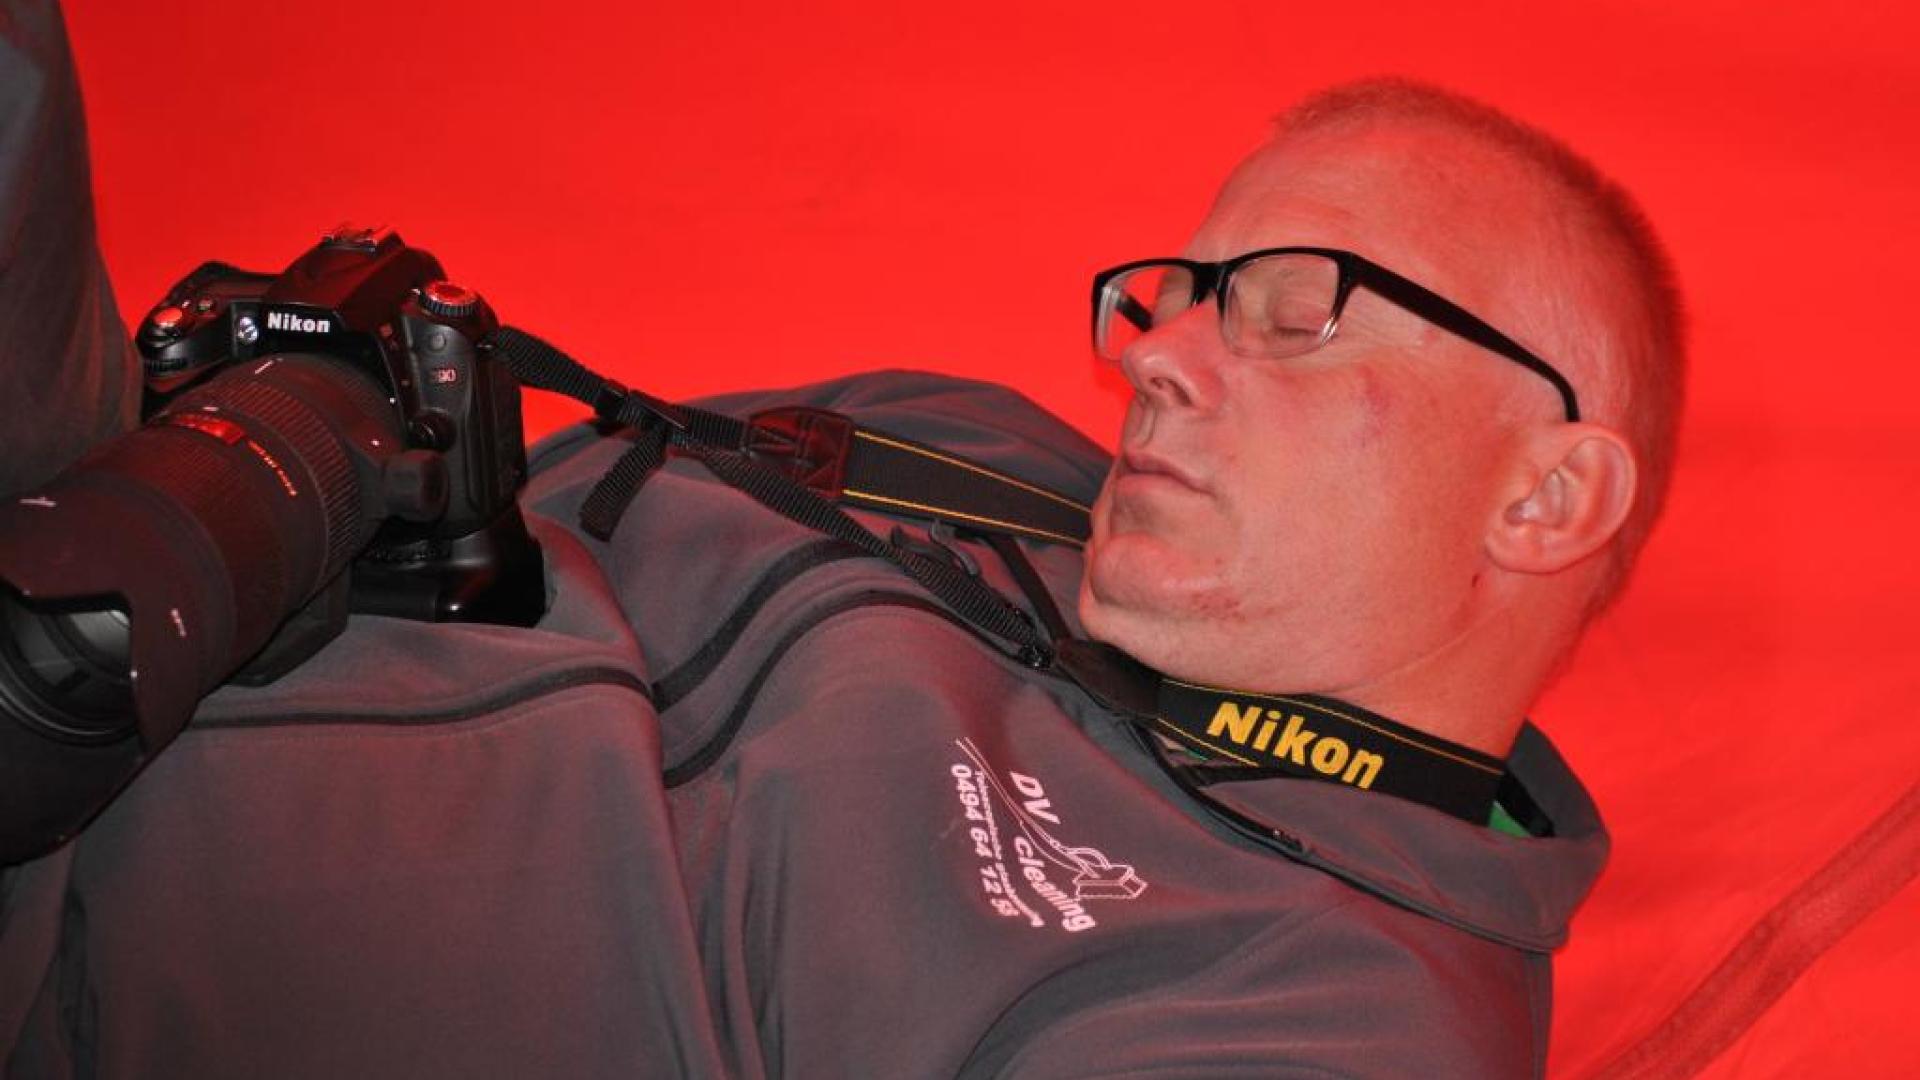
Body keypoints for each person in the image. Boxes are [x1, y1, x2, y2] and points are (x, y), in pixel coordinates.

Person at [0, 1, 1680, 1074]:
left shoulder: (1342, 1018)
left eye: (1295, 313)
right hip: (117, 542)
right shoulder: (968, 442)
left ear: (1546, 497)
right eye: (1175, 296)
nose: (1160, 356)